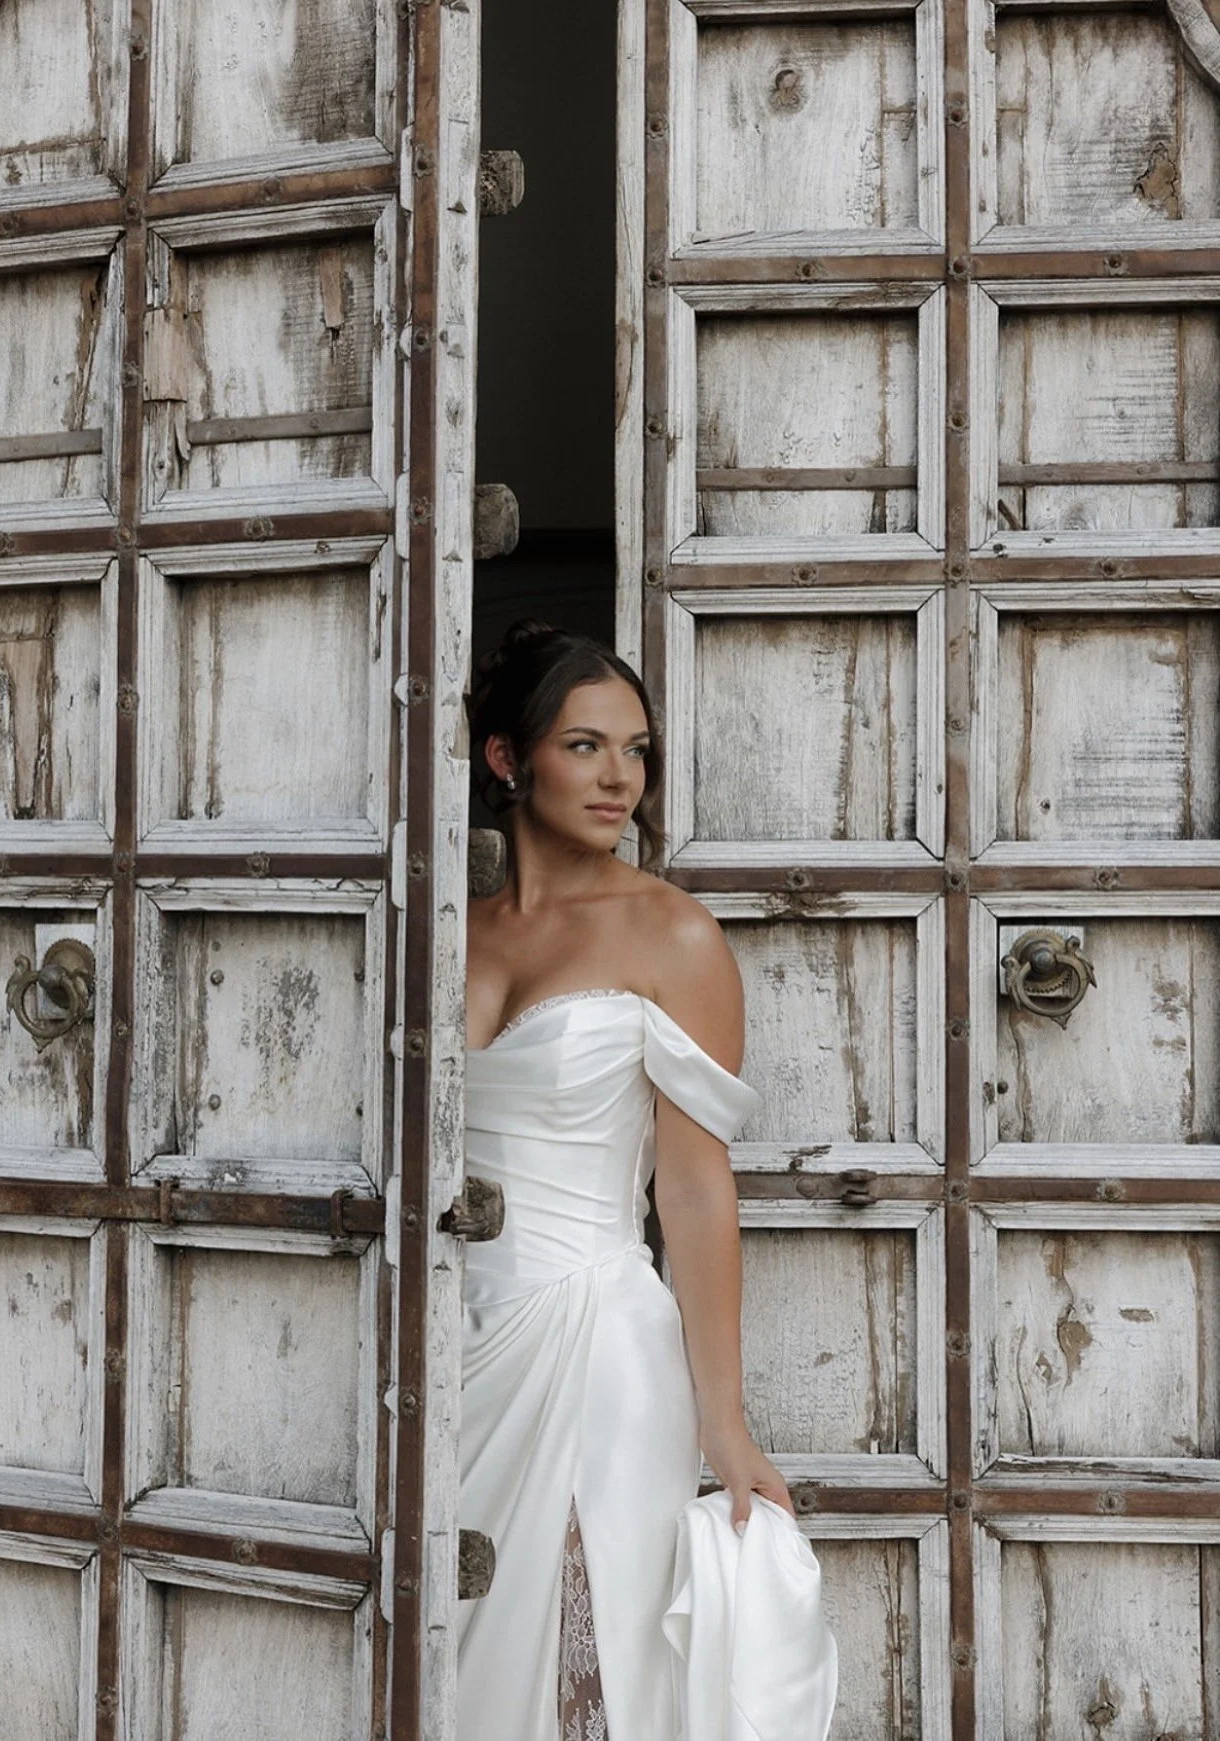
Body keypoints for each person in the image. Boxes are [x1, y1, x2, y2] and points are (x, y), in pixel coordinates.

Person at [458, 619, 833, 1740]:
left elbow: (695, 1190)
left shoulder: (673, 937)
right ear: (506, 759)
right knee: (452, 1655)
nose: (621, 776)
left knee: (591, 1644)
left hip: (598, 1345)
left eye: (638, 748)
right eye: (585, 745)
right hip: (452, 1350)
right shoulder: (442, 927)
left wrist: (726, 1419)